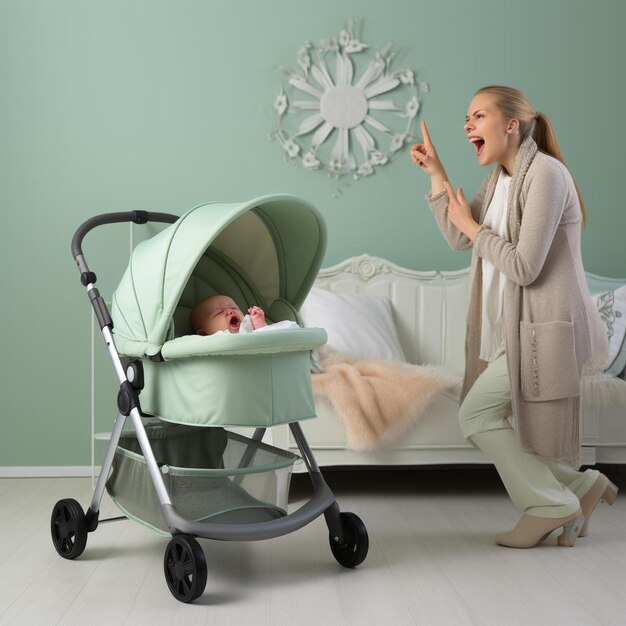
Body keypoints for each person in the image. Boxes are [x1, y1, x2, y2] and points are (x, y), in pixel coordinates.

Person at [410, 85, 617, 548]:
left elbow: (525, 265)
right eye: (467, 119)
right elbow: (459, 237)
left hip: (544, 330)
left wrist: (471, 226)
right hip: (513, 329)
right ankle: (582, 487)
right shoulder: (501, 180)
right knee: (498, 417)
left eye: (478, 116)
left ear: (511, 125)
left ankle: (549, 504)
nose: (467, 125)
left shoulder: (546, 174)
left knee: (476, 415)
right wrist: (437, 175)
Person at [189, 294, 298, 335]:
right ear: (203, 333)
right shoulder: (208, 342)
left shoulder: (249, 327)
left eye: (233, 308)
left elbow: (270, 340)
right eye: (218, 312)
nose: (230, 311)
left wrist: (260, 325)